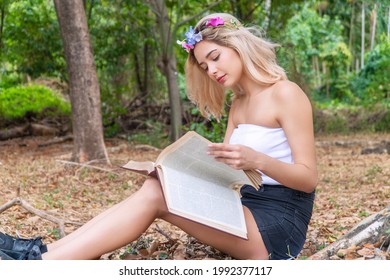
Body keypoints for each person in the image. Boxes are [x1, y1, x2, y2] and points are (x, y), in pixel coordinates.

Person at [0, 12, 317, 261]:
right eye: (205, 66)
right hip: (243, 208)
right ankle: (42, 252)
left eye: (215, 57)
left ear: (239, 46)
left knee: (156, 196)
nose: (212, 71)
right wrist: (178, 173)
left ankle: (40, 260)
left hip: (278, 226)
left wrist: (257, 160)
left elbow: (308, 179)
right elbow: (231, 176)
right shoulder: (239, 104)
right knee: (158, 184)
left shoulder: (286, 94)